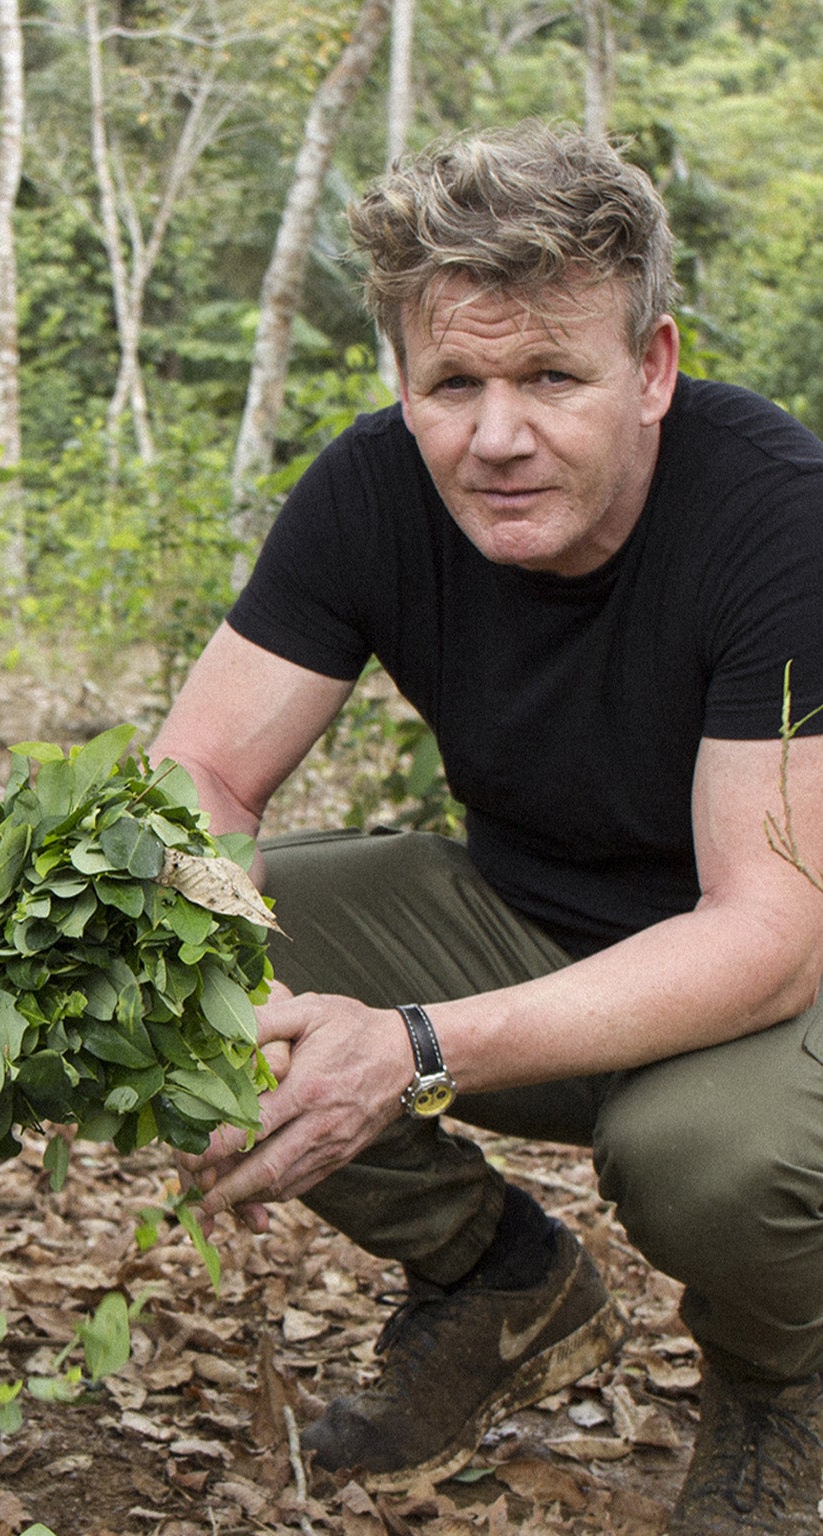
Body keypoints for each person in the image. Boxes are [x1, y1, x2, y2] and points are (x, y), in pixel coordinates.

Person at [153, 125, 823, 1533]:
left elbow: (766, 937)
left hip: (776, 984)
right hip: (520, 913)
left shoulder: (777, 519)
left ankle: (782, 1382)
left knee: (708, 1159)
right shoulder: (373, 489)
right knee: (141, 957)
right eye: (452, 381)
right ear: (403, 378)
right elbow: (201, 768)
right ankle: (494, 1277)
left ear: (651, 369)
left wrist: (410, 1051)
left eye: (552, 377)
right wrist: (207, 944)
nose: (496, 434)